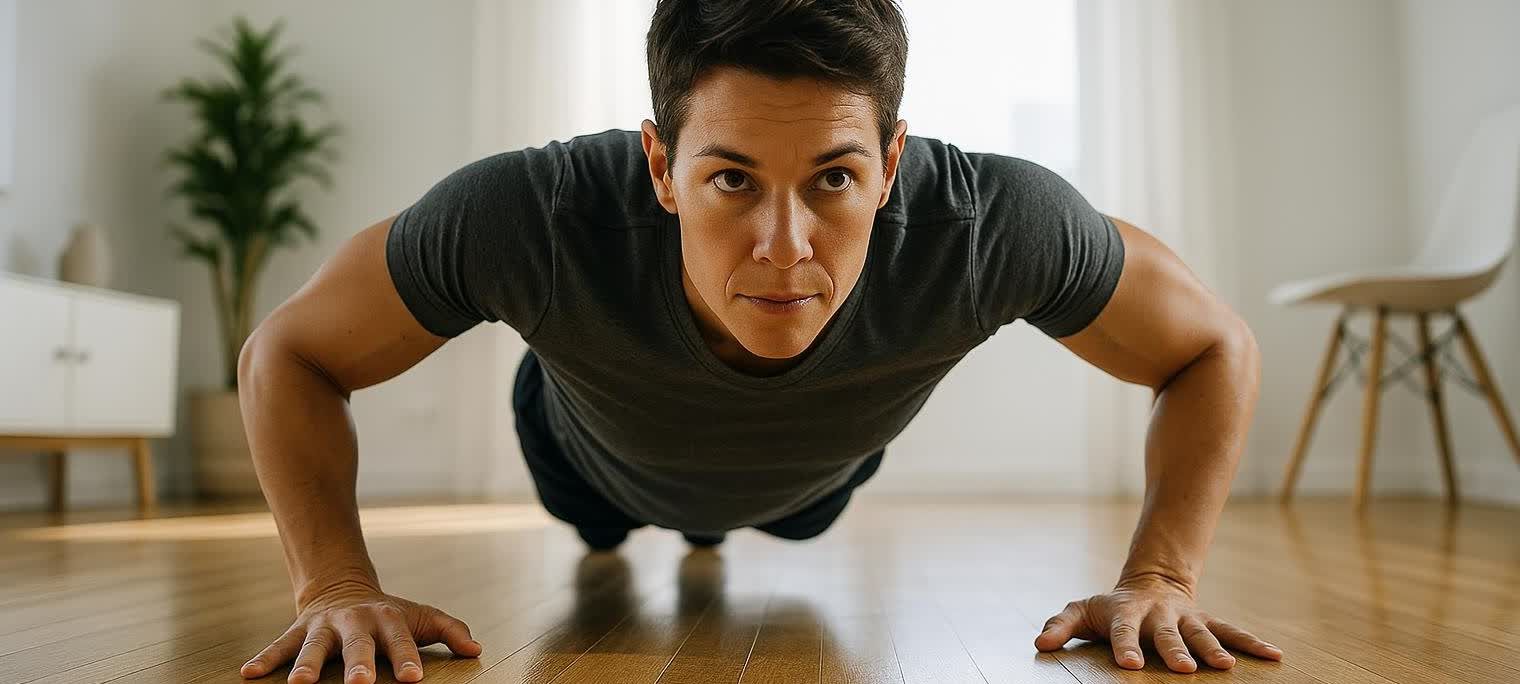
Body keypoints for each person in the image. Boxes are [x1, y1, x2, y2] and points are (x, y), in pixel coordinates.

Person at [235, 1, 1284, 682]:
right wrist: (335, 588)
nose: (784, 250)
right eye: (730, 178)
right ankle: (620, 525)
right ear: (659, 165)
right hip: (586, 459)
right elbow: (289, 351)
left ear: (888, 161)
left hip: (810, 485)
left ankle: (713, 531)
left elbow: (1210, 346)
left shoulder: (993, 222)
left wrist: (1163, 578)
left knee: (787, 522)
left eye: (832, 177)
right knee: (598, 524)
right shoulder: (530, 214)